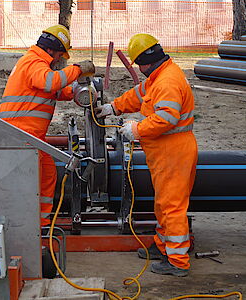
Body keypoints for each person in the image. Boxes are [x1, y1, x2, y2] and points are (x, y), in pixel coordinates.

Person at [95, 34, 197, 277]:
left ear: (145, 61)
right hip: (165, 151)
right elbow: (138, 95)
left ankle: (177, 261)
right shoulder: (158, 76)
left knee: (172, 205)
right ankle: (164, 246)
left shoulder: (167, 82)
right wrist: (114, 107)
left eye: (137, 64)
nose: (138, 70)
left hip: (173, 151)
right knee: (163, 202)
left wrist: (136, 129)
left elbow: (166, 118)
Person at [0, 24, 95, 227]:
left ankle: (40, 224)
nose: (60, 59)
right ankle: (30, 226)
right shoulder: (34, 62)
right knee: (31, 180)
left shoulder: (37, 64)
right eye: (60, 54)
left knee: (48, 173)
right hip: (20, 134)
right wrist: (77, 70)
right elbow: (50, 83)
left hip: (30, 135)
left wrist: (77, 92)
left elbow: (53, 91)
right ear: (51, 49)